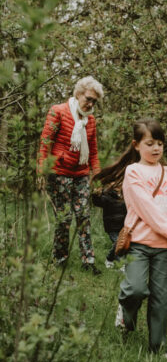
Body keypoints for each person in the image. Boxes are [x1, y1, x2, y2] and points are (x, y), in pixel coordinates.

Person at [114, 118, 167, 356]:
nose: (156, 148)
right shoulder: (133, 171)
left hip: (165, 248)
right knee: (135, 290)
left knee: (162, 298)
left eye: (160, 143)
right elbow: (147, 208)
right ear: (136, 145)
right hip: (138, 243)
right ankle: (126, 316)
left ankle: (158, 347)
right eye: (150, 143)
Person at [37, 76, 103, 274]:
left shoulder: (90, 120)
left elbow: (93, 150)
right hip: (59, 174)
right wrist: (42, 171)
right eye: (89, 98)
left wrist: (97, 178)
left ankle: (88, 261)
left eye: (94, 101)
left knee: (84, 216)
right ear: (78, 93)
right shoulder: (58, 111)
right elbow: (45, 142)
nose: (91, 104)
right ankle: (60, 258)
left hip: (81, 174)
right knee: (64, 218)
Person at [92, 165, 127, 270]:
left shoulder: (125, 196)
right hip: (112, 227)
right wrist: (95, 195)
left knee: (123, 244)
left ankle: (110, 259)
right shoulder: (106, 196)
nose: (116, 185)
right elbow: (98, 202)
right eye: (113, 183)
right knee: (118, 243)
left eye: (119, 182)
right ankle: (121, 265)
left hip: (123, 226)